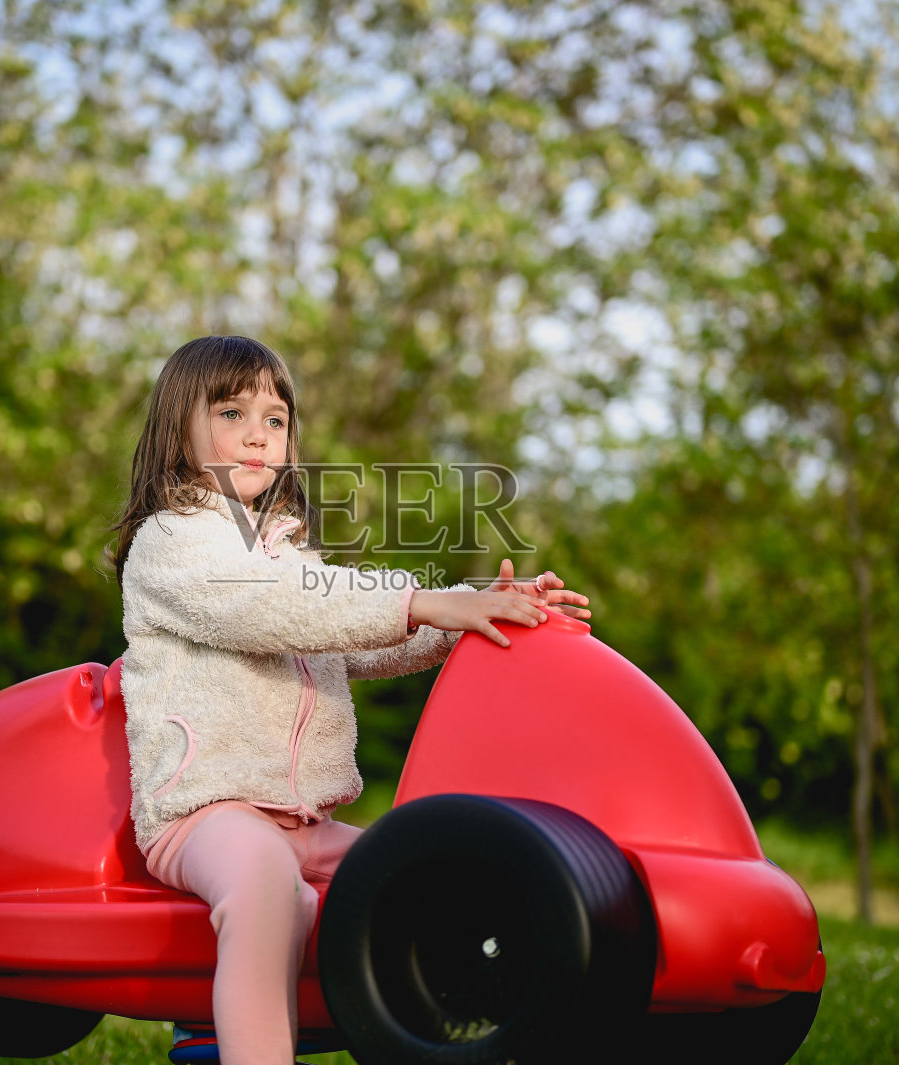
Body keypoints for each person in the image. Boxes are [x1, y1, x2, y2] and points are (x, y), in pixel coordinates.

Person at [108, 334, 591, 1065]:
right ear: (178, 427)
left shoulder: (285, 550)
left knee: (416, 876)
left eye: (276, 420)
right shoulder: (172, 542)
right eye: (233, 412)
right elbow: (280, 608)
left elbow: (351, 637)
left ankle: (417, 1020)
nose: (258, 435)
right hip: (206, 811)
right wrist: (429, 602)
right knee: (266, 881)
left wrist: (473, 610)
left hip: (304, 819)